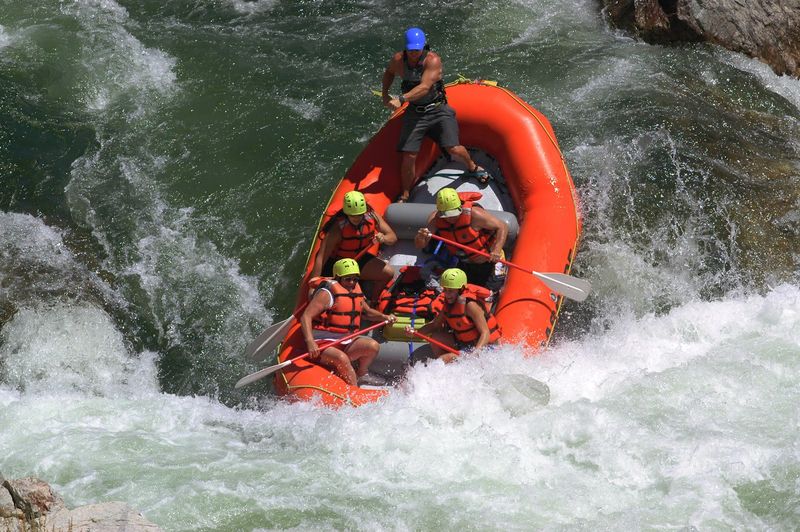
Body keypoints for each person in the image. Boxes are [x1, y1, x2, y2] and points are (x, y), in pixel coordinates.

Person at [381, 27, 490, 202]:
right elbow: (389, 73)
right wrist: (385, 93)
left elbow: (424, 87)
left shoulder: (432, 60)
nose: (414, 53)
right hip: (415, 113)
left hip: (438, 110)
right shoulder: (398, 60)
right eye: (411, 50)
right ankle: (406, 194)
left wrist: (401, 99)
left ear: (423, 47)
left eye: (417, 49)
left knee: (453, 147)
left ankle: (472, 166)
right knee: (408, 155)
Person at [301, 258, 396, 386]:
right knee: (342, 359)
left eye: (355, 279)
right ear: (338, 278)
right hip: (323, 344)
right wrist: (310, 342)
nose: (352, 282)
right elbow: (305, 316)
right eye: (348, 279)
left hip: (346, 341)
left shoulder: (355, 290)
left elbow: (367, 313)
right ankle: (354, 390)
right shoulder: (326, 294)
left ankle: (362, 373)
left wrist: (385, 317)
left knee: (373, 346)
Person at [414, 188, 508, 289]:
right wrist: (420, 237)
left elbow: (502, 226)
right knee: (461, 292)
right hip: (466, 264)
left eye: (454, 214)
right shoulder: (434, 220)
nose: (451, 218)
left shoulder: (475, 215)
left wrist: (497, 250)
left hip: (490, 262)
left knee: (490, 294)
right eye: (446, 215)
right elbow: (420, 245)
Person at [311, 190, 397, 300]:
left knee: (388, 273)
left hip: (359, 259)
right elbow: (322, 257)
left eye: (359, 215)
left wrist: (383, 238)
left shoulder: (371, 215)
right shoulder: (337, 228)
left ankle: (374, 301)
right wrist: (313, 284)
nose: (356, 219)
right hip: (338, 264)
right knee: (347, 295)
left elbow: (392, 237)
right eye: (353, 216)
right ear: (346, 213)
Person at [406, 268, 501, 363]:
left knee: (442, 360)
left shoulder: (470, 305)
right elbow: (435, 325)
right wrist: (415, 333)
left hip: (486, 346)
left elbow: (485, 333)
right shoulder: (449, 303)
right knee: (436, 337)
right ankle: (453, 362)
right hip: (466, 342)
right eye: (445, 290)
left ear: (461, 289)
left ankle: (448, 361)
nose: (447, 294)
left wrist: (475, 353)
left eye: (451, 291)